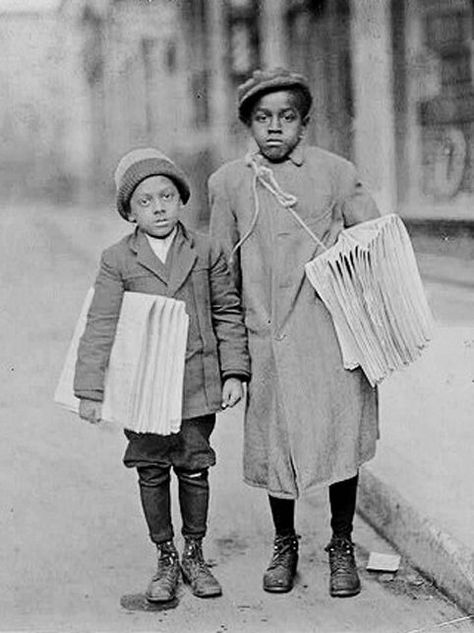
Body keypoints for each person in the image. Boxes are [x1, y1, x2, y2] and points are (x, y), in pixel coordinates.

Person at [208, 68, 380, 598]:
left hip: (331, 338)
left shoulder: (335, 172)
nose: (274, 128)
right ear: (248, 126)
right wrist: (232, 356)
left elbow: (374, 243)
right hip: (267, 343)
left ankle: (342, 543)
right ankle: (285, 543)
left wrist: (357, 287)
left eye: (287, 118)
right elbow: (221, 272)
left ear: (304, 124)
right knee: (275, 446)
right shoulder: (229, 183)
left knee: (338, 442)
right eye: (263, 119)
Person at [74, 148, 250, 603]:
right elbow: (101, 324)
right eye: (146, 201)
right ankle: (166, 556)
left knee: (194, 467)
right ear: (129, 211)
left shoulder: (205, 249)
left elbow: (227, 311)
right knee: (151, 469)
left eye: (167, 196)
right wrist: (90, 391)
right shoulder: (118, 259)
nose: (158, 208)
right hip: (144, 388)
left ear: (181, 200)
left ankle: (194, 551)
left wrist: (234, 372)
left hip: (195, 383)